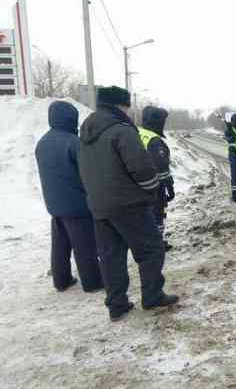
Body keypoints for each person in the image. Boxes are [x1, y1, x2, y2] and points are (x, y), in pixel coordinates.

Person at [78, 86, 178, 322]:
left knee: (111, 256)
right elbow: (141, 168)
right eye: (127, 106)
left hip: (99, 205)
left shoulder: (86, 131)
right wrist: (152, 189)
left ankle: (117, 304)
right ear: (120, 106)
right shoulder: (121, 130)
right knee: (152, 248)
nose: (130, 111)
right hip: (129, 203)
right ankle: (153, 295)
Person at [35, 101, 104, 293]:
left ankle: (62, 280)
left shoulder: (42, 143)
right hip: (77, 205)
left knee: (60, 246)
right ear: (70, 118)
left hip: (54, 204)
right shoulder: (73, 142)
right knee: (85, 247)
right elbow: (87, 173)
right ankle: (93, 282)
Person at [138, 106, 175, 252]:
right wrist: (170, 187)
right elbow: (162, 169)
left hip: (139, 184)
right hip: (154, 186)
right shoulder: (154, 140)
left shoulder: (139, 133)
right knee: (157, 213)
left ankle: (149, 240)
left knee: (147, 215)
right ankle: (157, 243)